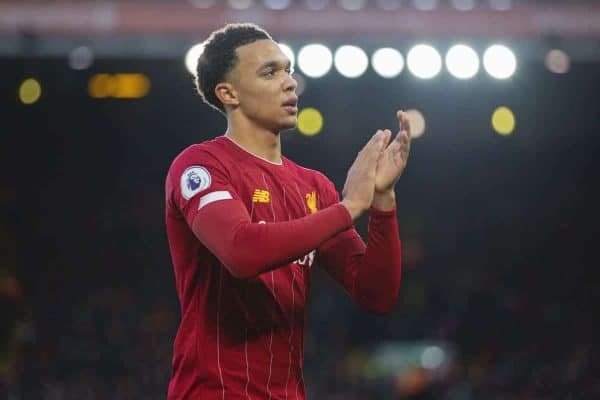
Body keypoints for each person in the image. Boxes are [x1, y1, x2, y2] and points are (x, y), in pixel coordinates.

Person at [165, 23, 411, 400]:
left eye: (288, 69)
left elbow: (376, 294)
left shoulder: (313, 188)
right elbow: (241, 252)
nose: (290, 82)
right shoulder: (201, 166)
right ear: (228, 93)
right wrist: (348, 208)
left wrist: (382, 200)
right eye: (270, 72)